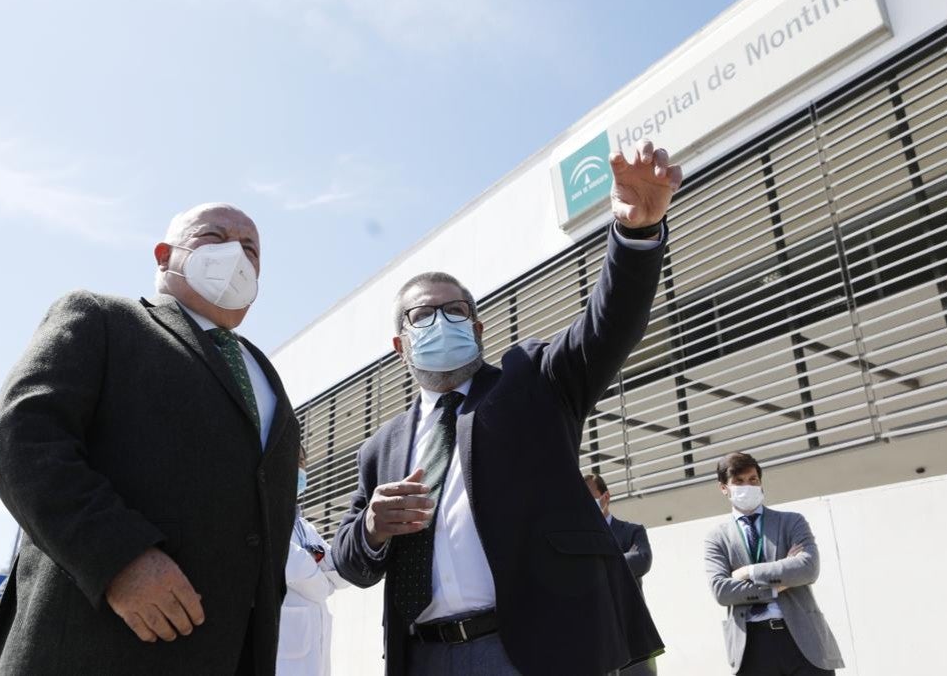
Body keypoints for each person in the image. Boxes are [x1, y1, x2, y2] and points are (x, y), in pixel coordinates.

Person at [333, 140, 679, 675]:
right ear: (401, 344)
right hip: (423, 655)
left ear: (477, 329)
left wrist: (635, 235)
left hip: (526, 651)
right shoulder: (382, 448)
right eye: (424, 315)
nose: (442, 321)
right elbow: (349, 563)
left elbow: (607, 327)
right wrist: (374, 528)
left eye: (456, 312)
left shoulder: (534, 381)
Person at [0, 203, 301, 675]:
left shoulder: (265, 376)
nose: (235, 254)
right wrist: (117, 559)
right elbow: (21, 439)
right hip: (95, 651)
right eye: (214, 237)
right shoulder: (103, 319)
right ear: (164, 255)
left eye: (250, 248)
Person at [703, 452, 843, 675]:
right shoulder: (717, 538)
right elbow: (722, 591)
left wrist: (748, 571)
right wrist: (775, 587)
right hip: (751, 647)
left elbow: (808, 568)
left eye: (753, 480)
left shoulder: (792, 522)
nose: (747, 486)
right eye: (738, 481)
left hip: (803, 640)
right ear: (723, 488)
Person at [277, 450, 351, 676]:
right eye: (295, 461)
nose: (301, 469)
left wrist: (315, 566)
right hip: (283, 660)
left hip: (315, 660)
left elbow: (339, 571)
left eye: (303, 463)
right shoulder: (268, 518)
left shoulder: (305, 527)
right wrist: (320, 580)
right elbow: (290, 561)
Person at [585, 473, 656, 676]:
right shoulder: (580, 542)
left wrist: (597, 564)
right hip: (598, 637)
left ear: (605, 497)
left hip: (633, 631)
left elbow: (641, 560)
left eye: (590, 496)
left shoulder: (632, 531)